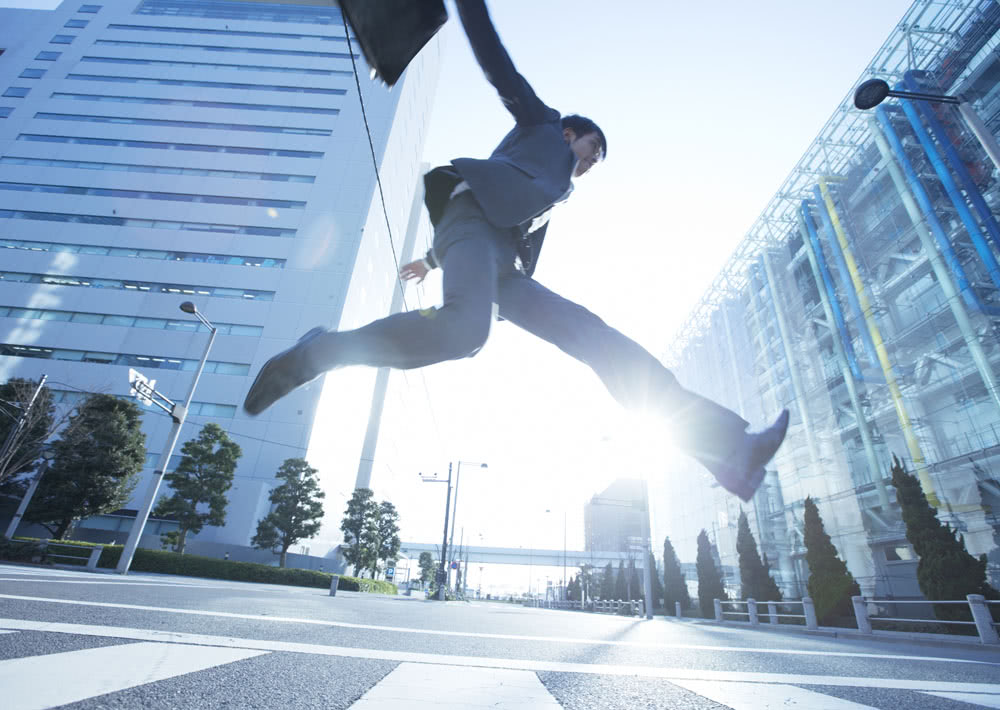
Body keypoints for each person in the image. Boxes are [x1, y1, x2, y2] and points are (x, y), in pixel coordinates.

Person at [243, 0, 788, 502]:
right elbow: (497, 65)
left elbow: (498, 221)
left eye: (596, 159)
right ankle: (316, 353)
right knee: (467, 332)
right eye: (592, 148)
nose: (590, 161)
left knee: (594, 336)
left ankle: (729, 451)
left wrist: (431, 261)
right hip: (471, 229)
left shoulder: (553, 190)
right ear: (571, 130)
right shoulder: (542, 124)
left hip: (500, 262)